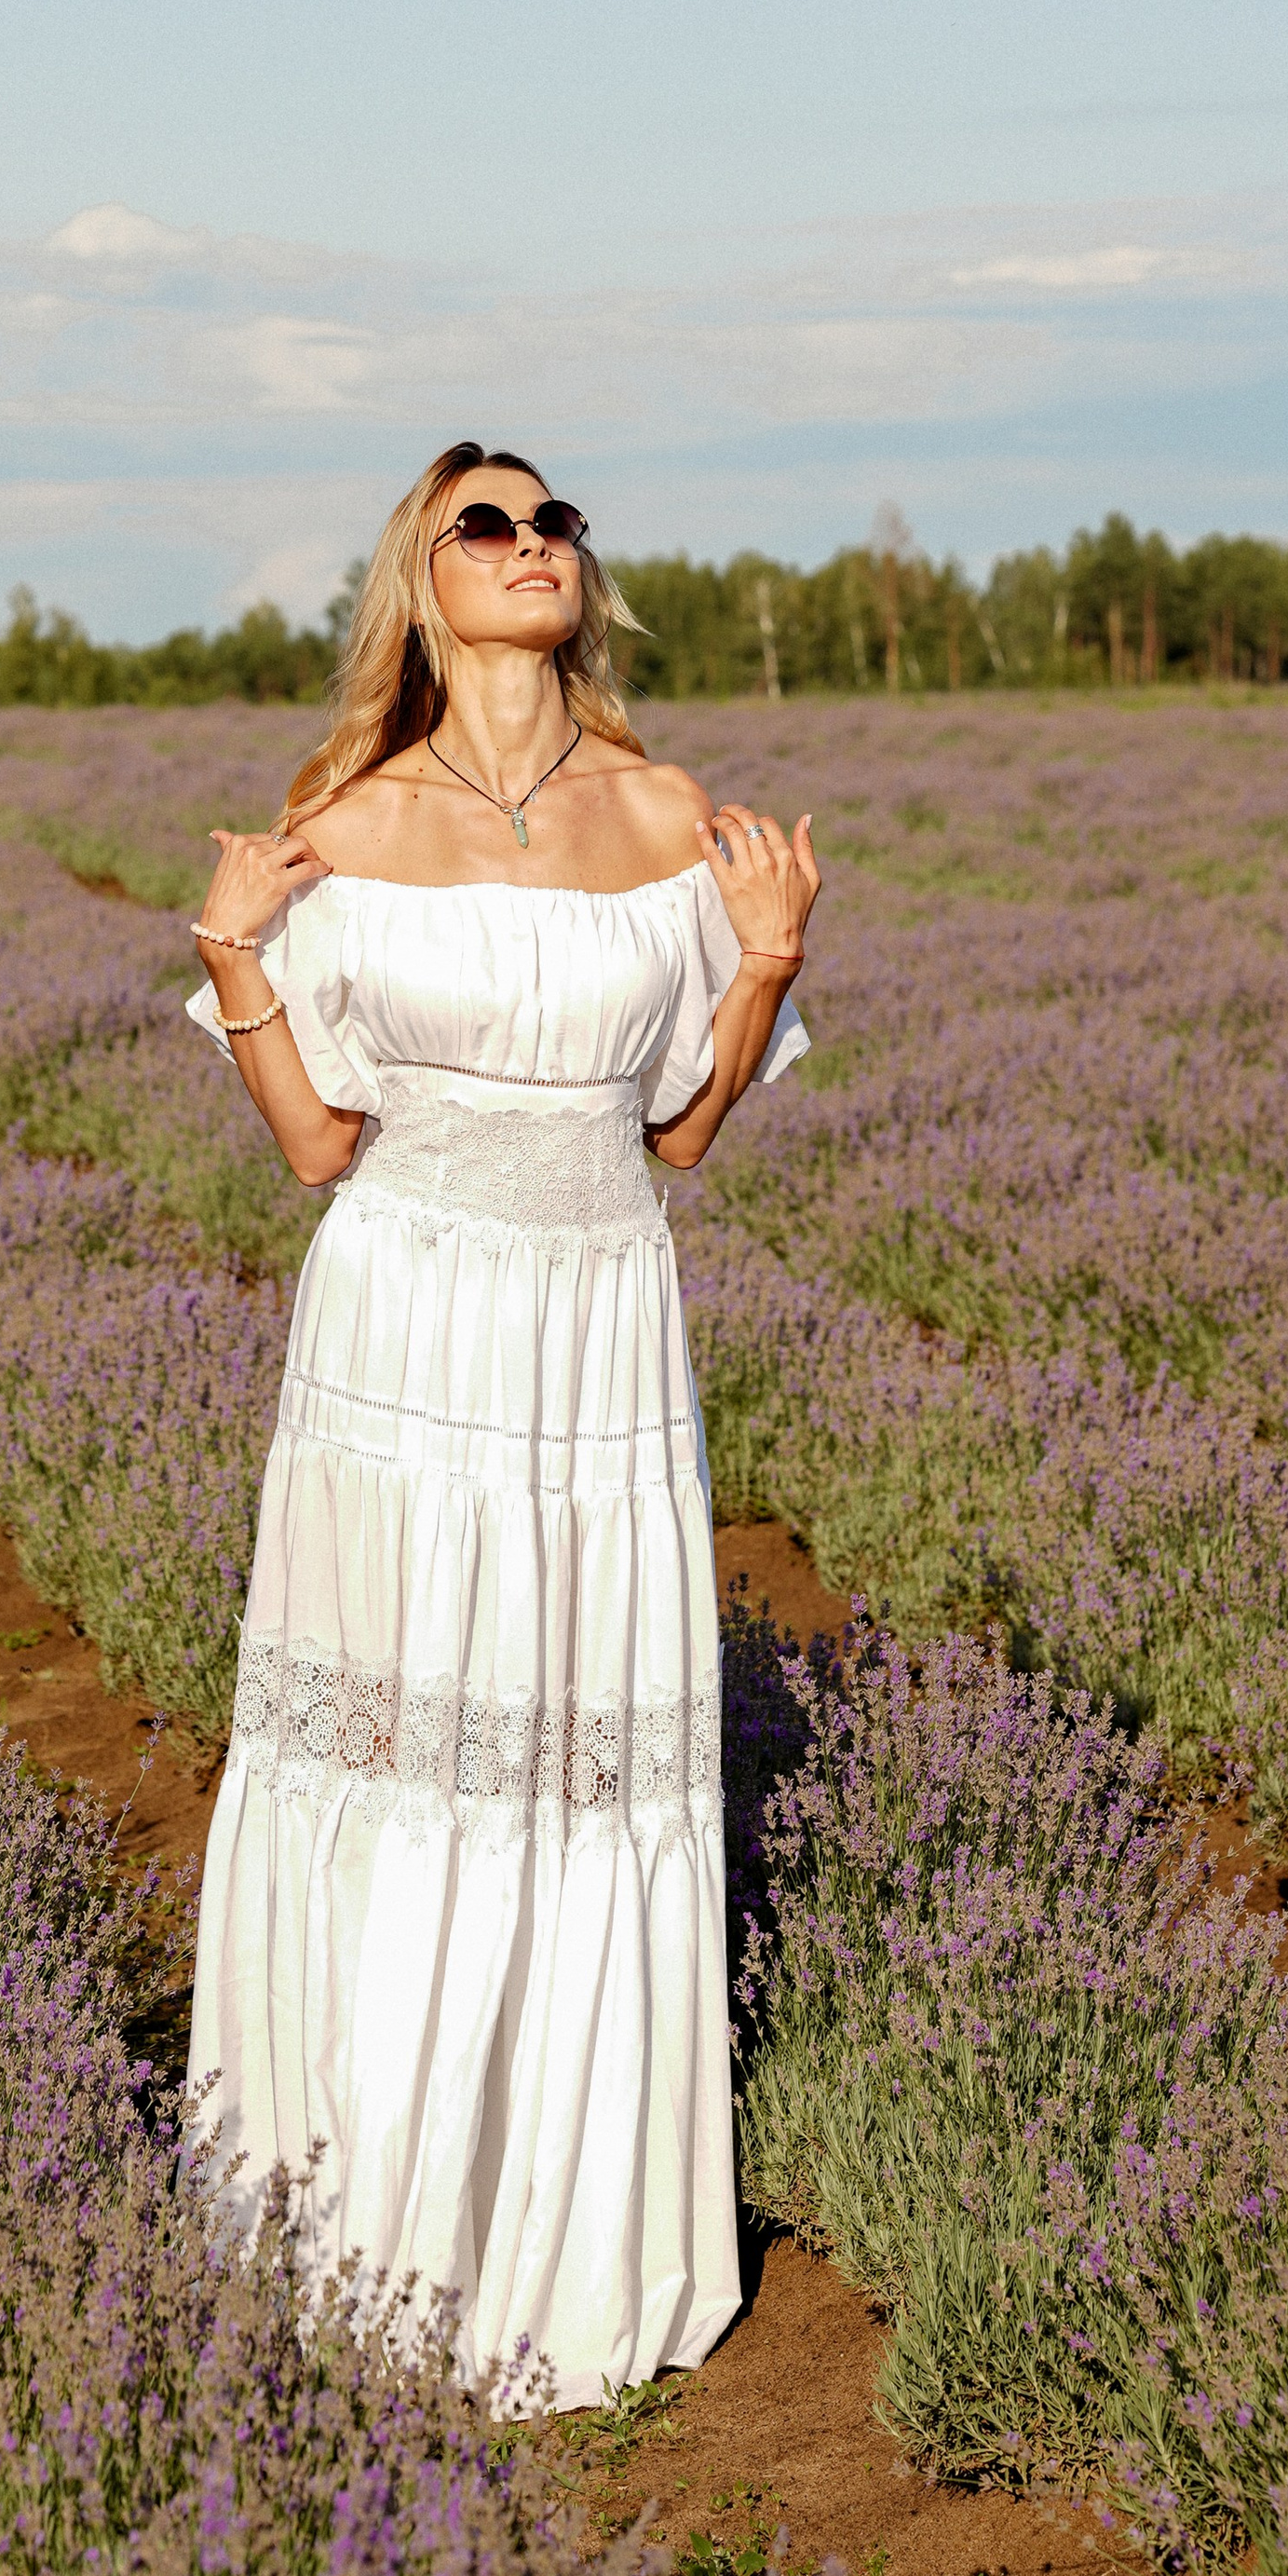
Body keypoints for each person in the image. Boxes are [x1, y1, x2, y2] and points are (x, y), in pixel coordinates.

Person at [183, 439, 820, 2411]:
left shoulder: (671, 814)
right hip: (403, 1324)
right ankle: (363, 2210)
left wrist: (767, 963)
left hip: (597, 1319)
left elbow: (683, 1137)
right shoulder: (342, 820)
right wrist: (231, 955)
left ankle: (557, 2222)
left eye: (555, 524)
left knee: (569, 1742)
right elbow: (314, 1149)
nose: (532, 546)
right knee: (405, 1735)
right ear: (423, 577)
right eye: (490, 525)